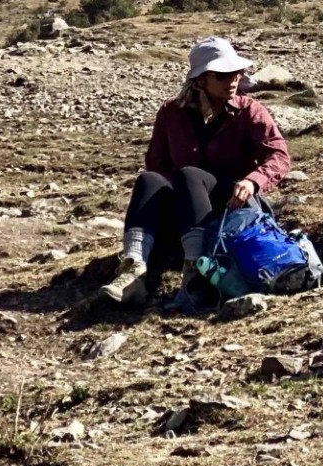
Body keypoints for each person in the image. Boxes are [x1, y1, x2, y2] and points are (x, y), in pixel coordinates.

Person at [96, 37, 291, 308]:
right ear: (200, 80)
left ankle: (196, 277)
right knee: (148, 180)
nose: (232, 80)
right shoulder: (171, 112)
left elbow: (278, 156)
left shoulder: (250, 111)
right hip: (185, 211)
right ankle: (133, 271)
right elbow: (157, 165)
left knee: (190, 174)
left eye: (236, 73)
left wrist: (253, 181)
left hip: (233, 206)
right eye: (222, 75)